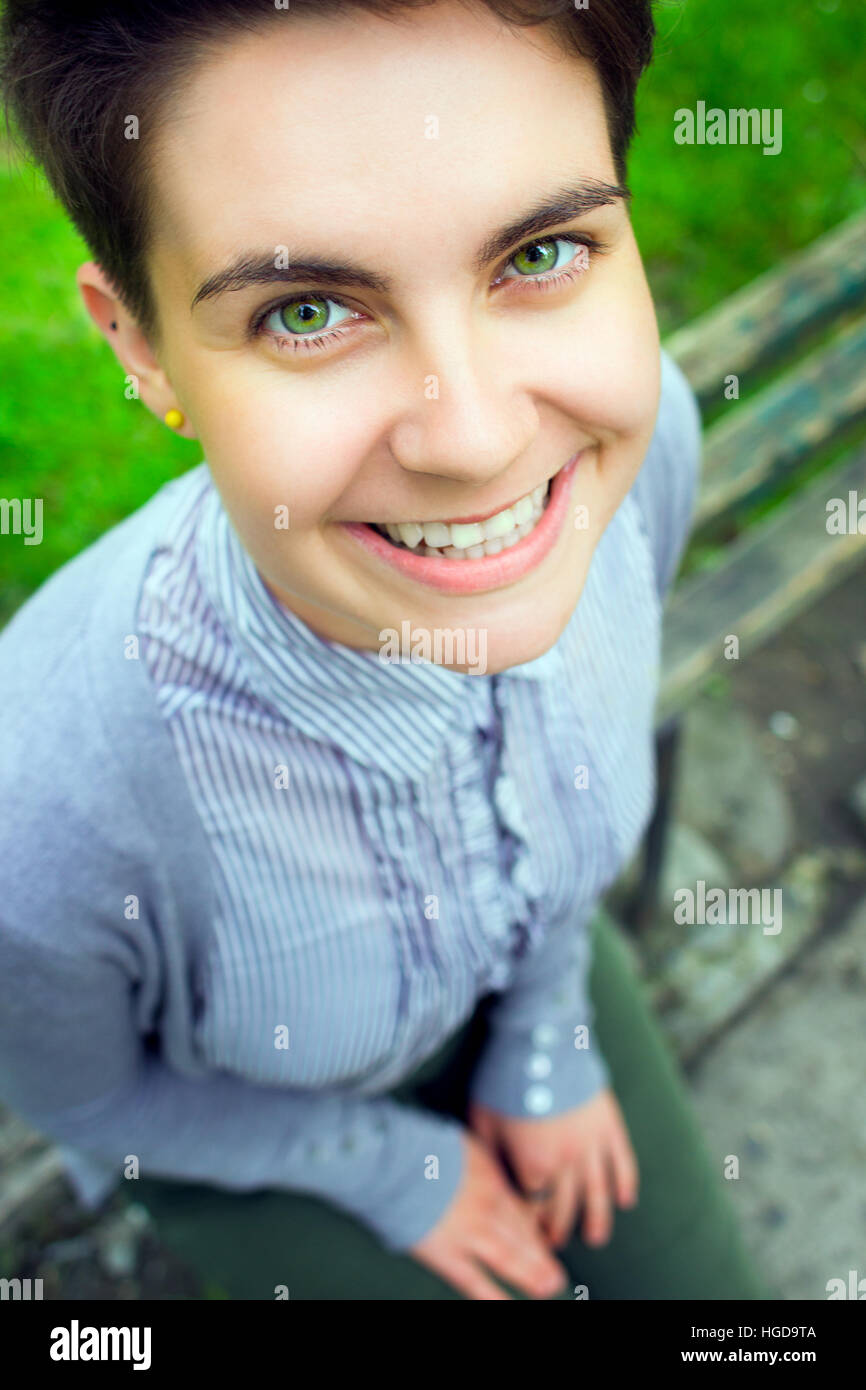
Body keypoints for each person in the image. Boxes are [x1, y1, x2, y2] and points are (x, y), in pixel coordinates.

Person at [0, 0, 773, 1300]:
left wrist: (547, 1038)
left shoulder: (632, 470)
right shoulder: (44, 809)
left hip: (538, 971)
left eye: (539, 251)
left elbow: (561, 863)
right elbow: (85, 1098)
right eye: (305, 311)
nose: (473, 441)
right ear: (136, 342)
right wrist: (382, 1165)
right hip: (238, 1128)